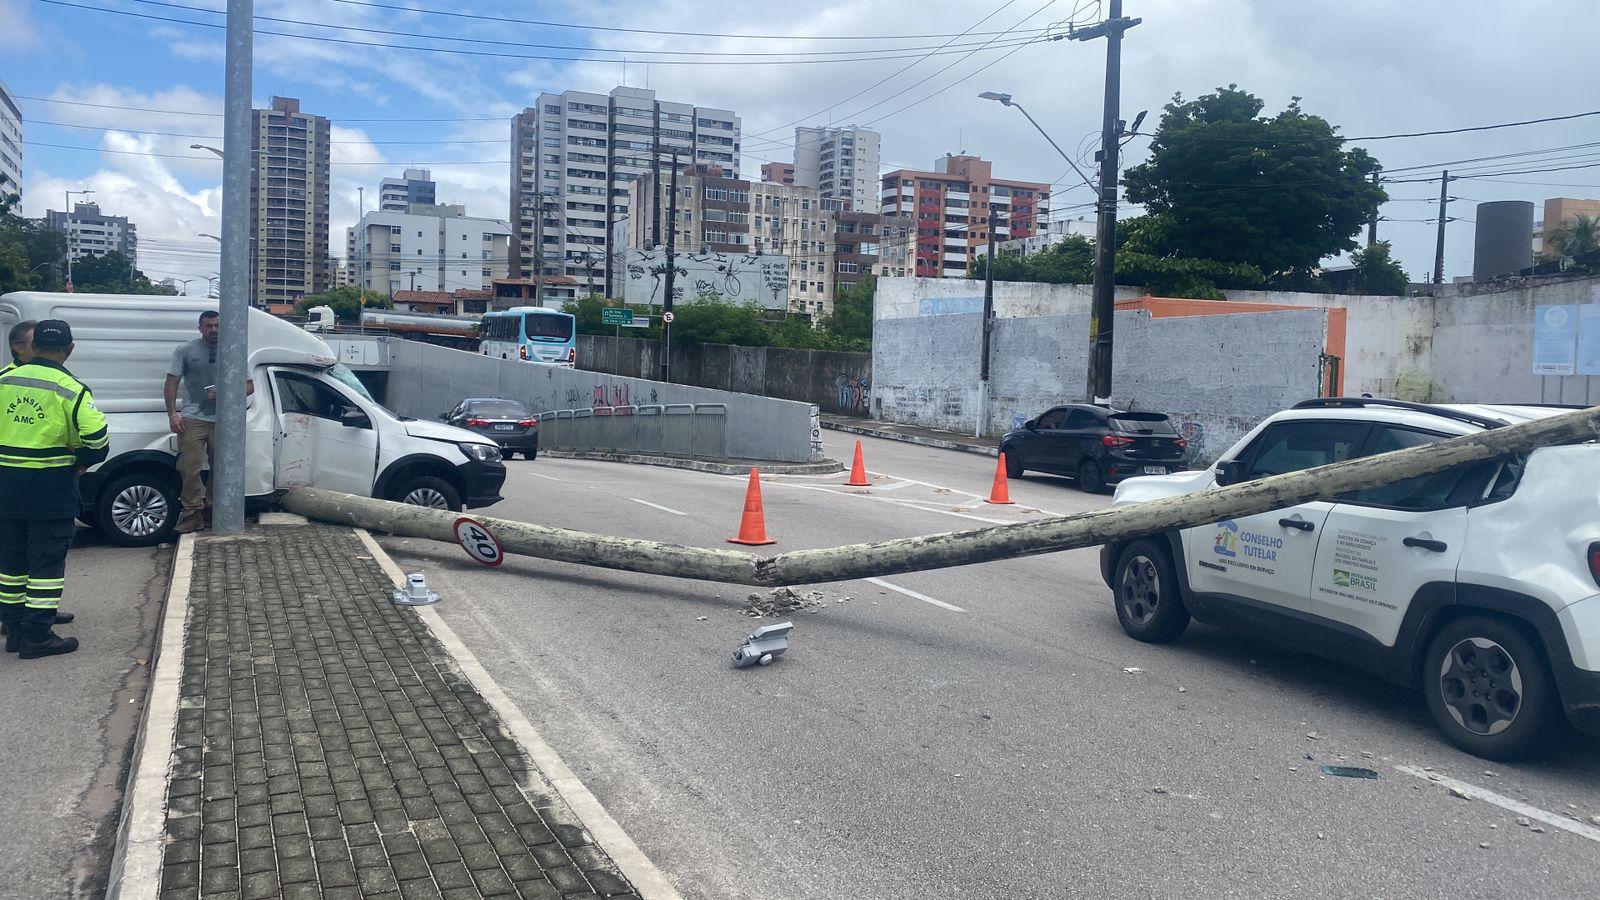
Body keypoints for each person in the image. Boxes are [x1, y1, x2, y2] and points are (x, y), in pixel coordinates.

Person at [0, 320, 109, 658]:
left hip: (5, 485)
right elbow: (98, 439)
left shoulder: (4, 379)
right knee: (46, 564)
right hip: (49, 487)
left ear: (33, 347)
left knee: (11, 561)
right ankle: (37, 635)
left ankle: (14, 628)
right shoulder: (70, 388)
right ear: (69, 349)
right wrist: (83, 459)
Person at [165, 310, 252, 534]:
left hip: (226, 420)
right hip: (193, 417)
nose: (213, 330)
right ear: (200, 328)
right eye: (208, 326)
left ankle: (216, 511)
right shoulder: (185, 351)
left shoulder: (234, 350)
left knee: (221, 468)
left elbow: (250, 386)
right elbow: (172, 382)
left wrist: (226, 392)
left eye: (217, 325)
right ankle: (192, 514)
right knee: (189, 467)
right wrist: (173, 413)